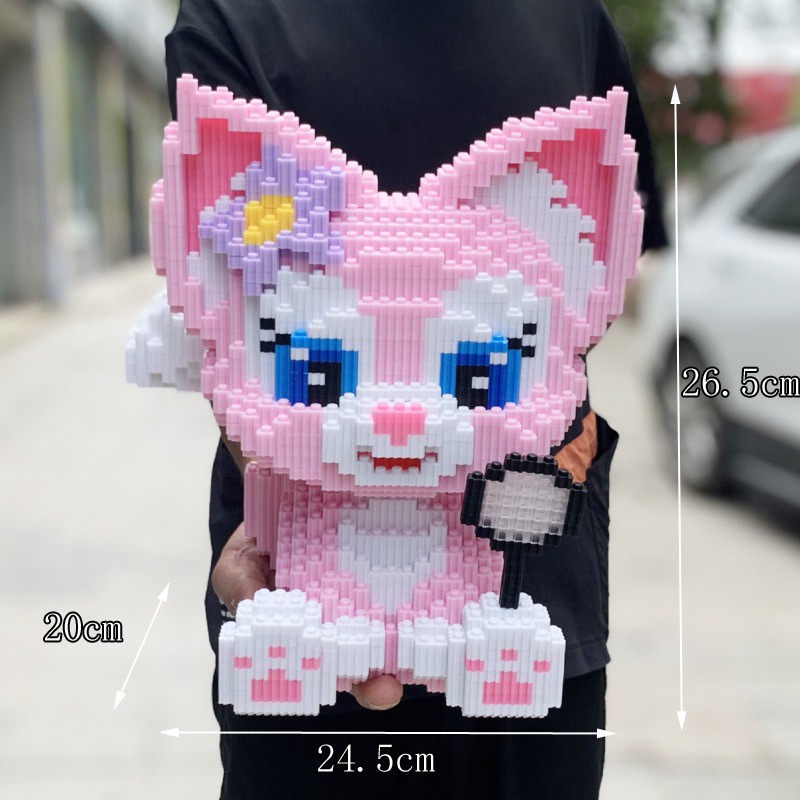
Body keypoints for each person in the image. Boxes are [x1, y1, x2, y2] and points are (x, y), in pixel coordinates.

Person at [164, 1, 667, 797]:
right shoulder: (235, 13)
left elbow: (589, 304)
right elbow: (226, 306)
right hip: (303, 571)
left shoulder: (573, 16)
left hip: (519, 575)